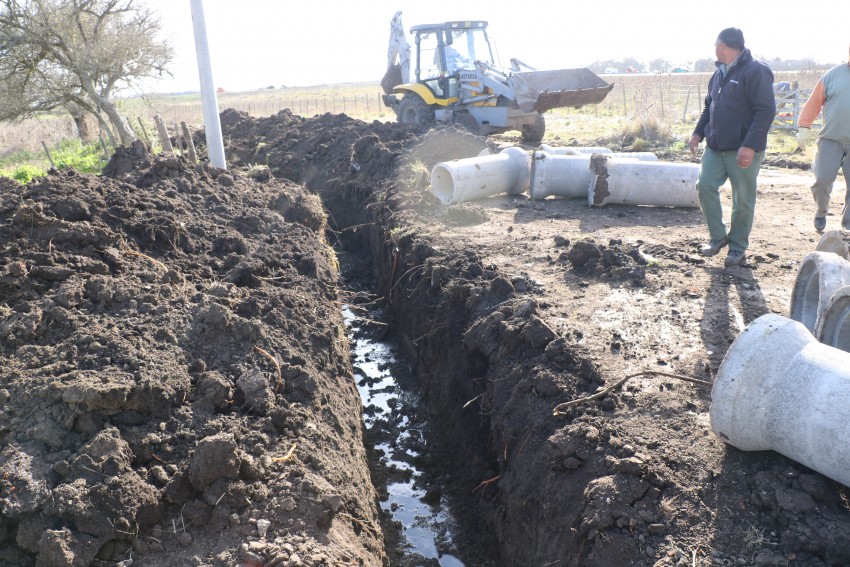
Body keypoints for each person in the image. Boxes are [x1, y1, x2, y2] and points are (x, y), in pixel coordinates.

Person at [688, 28, 776, 267]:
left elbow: (766, 111)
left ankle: (737, 248)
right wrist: (698, 133)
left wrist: (750, 145)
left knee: (743, 199)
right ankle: (718, 237)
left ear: (724, 46)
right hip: (716, 146)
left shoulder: (756, 71)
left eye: (716, 45)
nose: (714, 49)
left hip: (743, 149)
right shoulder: (718, 74)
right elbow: (710, 107)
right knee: (704, 185)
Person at [796, 45, 850, 232]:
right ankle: (821, 211)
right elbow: (814, 103)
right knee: (821, 179)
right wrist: (804, 125)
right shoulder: (832, 75)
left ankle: (848, 224)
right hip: (830, 139)